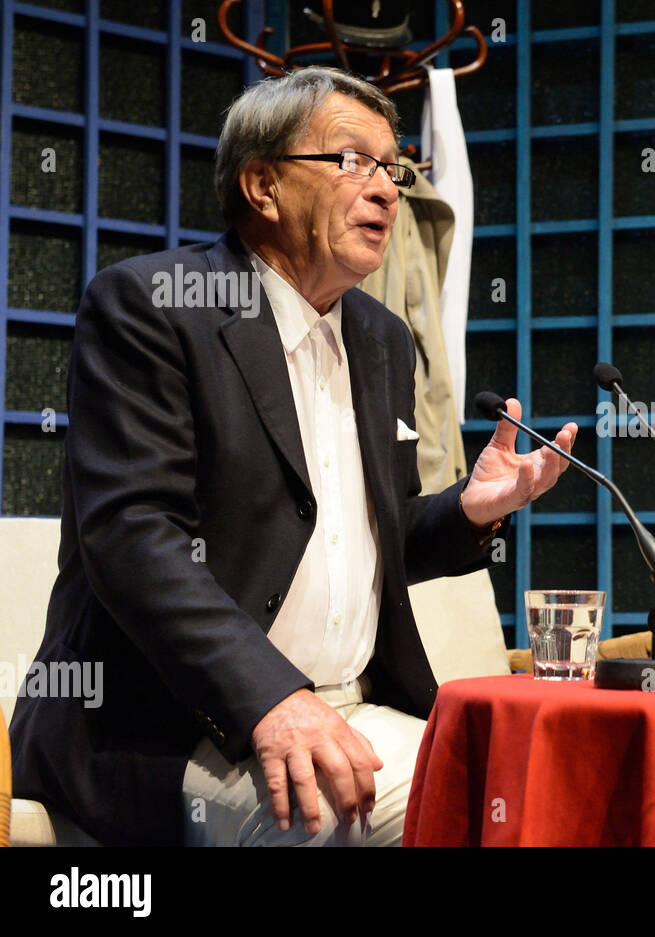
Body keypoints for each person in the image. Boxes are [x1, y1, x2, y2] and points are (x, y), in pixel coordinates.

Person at [9, 66, 577, 846]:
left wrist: (468, 510)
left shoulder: (380, 339)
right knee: (470, 818)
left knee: (565, 788)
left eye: (394, 167)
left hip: (352, 704)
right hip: (175, 729)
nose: (385, 189)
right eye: (352, 160)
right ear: (262, 185)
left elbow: (351, 544)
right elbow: (133, 539)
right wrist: (272, 698)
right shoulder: (153, 306)